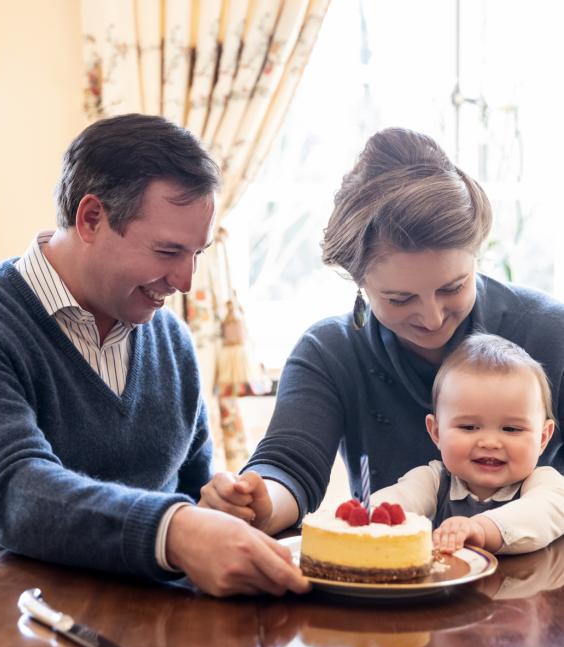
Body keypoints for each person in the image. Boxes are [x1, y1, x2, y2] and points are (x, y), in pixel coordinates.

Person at [0, 113, 309, 598]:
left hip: (127, 622)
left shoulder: (171, 341)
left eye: (197, 253)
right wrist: (176, 529)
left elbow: (190, 495)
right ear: (91, 218)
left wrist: (220, 506)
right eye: (168, 251)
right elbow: (15, 492)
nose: (186, 281)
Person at [199, 126, 564, 535]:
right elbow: (289, 467)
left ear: (476, 254)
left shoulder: (551, 332)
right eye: (400, 299)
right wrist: (257, 502)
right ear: (359, 283)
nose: (432, 317)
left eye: (452, 288)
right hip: (390, 591)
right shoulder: (329, 352)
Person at [372, 333, 564, 554]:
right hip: (444, 588)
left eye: (511, 429)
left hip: (524, 587)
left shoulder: (545, 484)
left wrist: (480, 529)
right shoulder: (434, 480)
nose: (490, 443)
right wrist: (368, 516)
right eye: (469, 427)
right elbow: (399, 499)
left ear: (542, 438)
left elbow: (541, 513)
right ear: (436, 432)